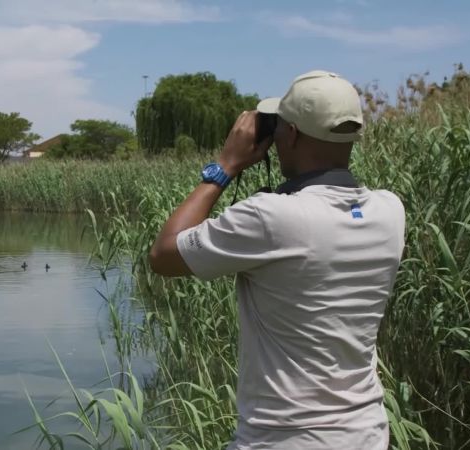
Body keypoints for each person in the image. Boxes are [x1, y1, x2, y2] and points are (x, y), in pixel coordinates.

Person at [148, 70, 405, 449]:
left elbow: (163, 256)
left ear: (292, 134)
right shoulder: (390, 210)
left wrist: (225, 166)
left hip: (283, 439)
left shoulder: (272, 216)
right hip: (366, 433)